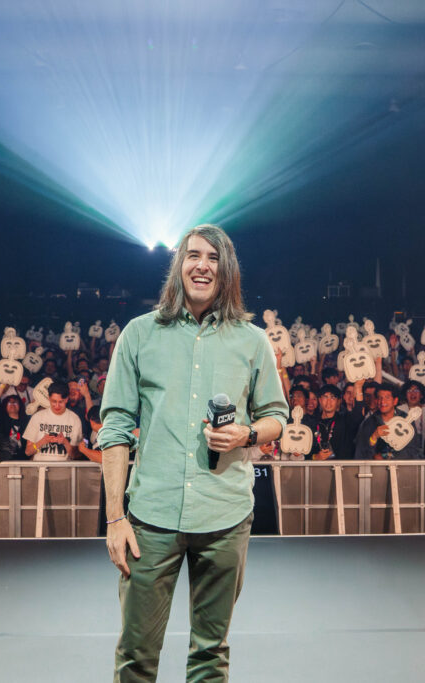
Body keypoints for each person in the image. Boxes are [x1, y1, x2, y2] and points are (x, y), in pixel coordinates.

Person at [98, 224, 288, 682]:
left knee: (210, 656)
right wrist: (115, 518)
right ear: (178, 265)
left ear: (227, 271)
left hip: (224, 517)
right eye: (193, 255)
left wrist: (245, 434)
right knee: (136, 656)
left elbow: (277, 417)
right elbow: (116, 428)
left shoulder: (253, 340)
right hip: (151, 519)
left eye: (214, 258)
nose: (202, 265)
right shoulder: (139, 334)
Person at [354, 384, 421, 460]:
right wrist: (374, 437)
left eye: (387, 398)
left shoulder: (405, 420)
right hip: (377, 469)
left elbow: (414, 450)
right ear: (376, 401)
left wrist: (389, 458)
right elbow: (361, 452)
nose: (382, 401)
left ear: (395, 401)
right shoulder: (369, 422)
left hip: (401, 468)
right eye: (380, 398)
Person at [23, 381, 83, 461]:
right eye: (54, 401)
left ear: (66, 399)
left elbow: (76, 456)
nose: (57, 406)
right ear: (49, 398)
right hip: (40, 468)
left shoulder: (74, 419)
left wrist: (65, 442)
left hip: (65, 470)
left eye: (61, 402)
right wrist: (42, 441)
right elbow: (28, 452)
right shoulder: (37, 417)